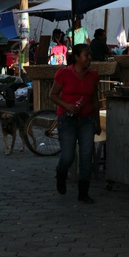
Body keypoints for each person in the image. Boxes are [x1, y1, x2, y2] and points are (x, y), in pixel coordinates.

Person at [49, 44, 102, 203]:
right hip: (67, 119)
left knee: (86, 156)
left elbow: (95, 100)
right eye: (86, 55)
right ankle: (61, 172)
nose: (89, 58)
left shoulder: (93, 75)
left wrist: (97, 122)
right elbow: (53, 95)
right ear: (77, 57)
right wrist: (67, 105)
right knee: (68, 156)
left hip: (87, 119)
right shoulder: (64, 73)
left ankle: (83, 192)